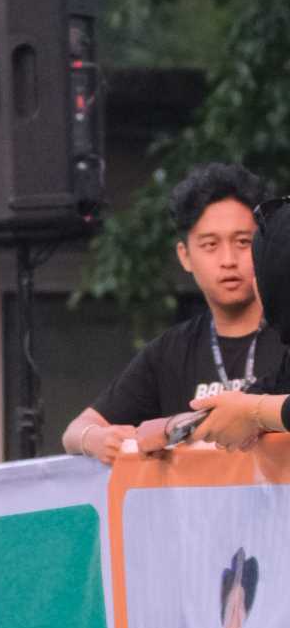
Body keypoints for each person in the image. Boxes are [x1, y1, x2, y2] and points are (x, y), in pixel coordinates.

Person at [63, 163, 290, 460]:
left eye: (243, 242)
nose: (228, 260)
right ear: (185, 255)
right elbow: (76, 430)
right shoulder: (169, 352)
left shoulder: (283, 334)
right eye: (210, 244)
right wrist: (95, 438)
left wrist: (252, 412)